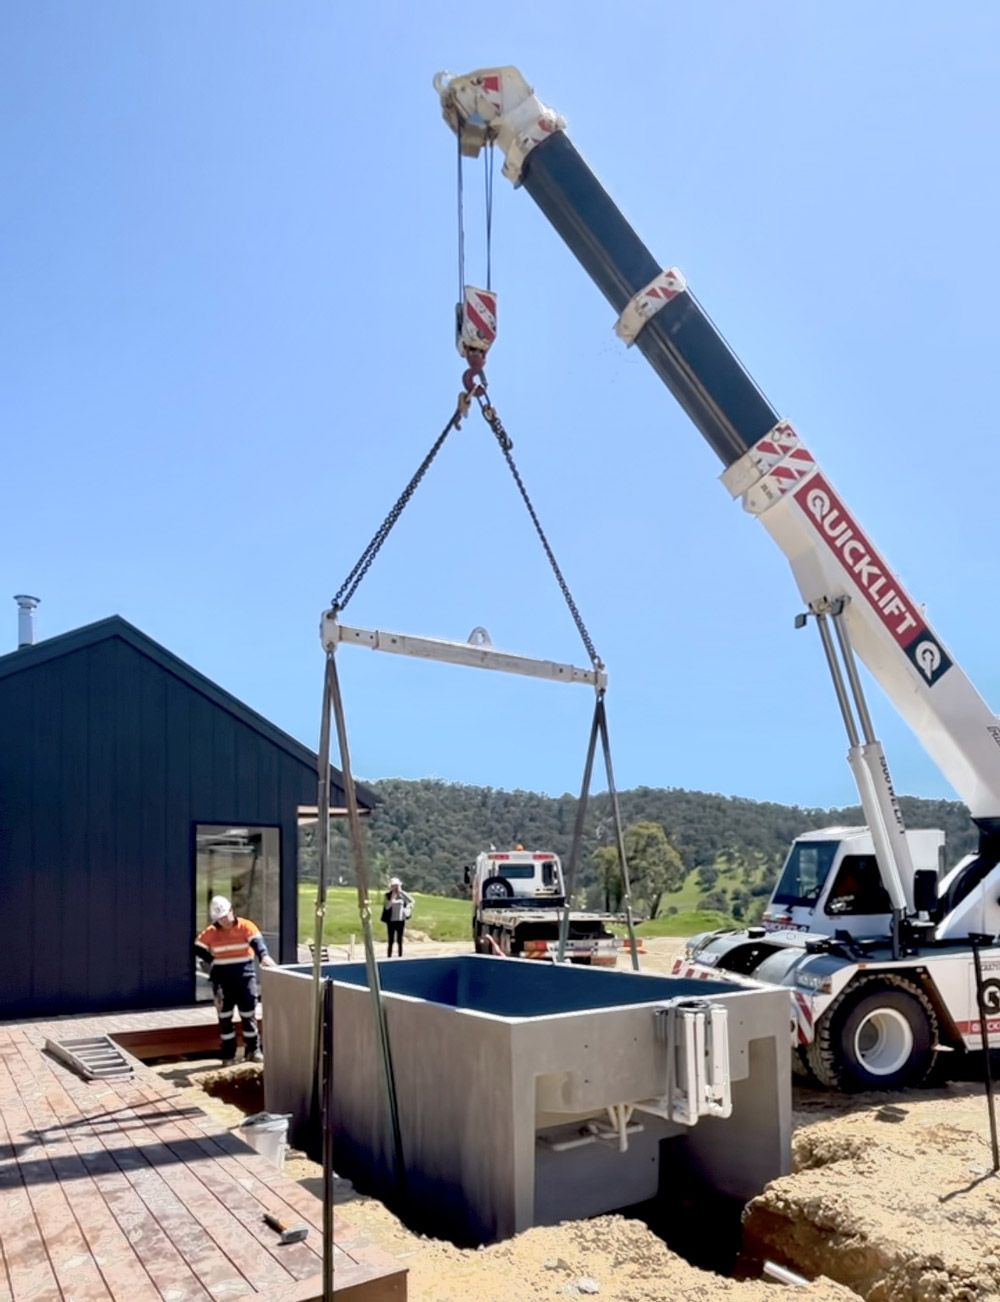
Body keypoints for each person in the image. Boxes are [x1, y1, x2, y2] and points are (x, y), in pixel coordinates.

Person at [195, 895, 276, 1064]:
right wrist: (212, 960)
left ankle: (253, 1051)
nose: (223, 921)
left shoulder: (246, 926)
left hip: (245, 978)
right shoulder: (211, 932)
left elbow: (258, 945)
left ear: (232, 911)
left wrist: (264, 957)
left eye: (225, 916)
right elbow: (198, 947)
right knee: (225, 1018)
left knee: (248, 1015)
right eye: (219, 918)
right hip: (222, 982)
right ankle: (228, 1054)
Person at [383, 877, 414, 957]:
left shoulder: (403, 895)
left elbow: (412, 901)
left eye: (397, 886)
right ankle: (389, 956)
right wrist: (392, 899)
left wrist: (407, 909)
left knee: (400, 940)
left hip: (400, 920)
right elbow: (387, 907)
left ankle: (400, 956)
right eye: (394, 886)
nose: (395, 888)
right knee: (391, 940)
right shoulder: (387, 895)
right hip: (391, 921)